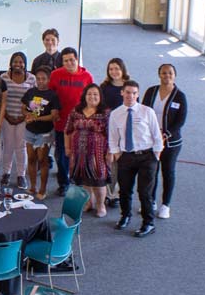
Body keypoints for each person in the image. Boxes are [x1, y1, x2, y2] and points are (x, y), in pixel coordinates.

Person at [107, 80, 163, 237]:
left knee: (144, 192)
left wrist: (156, 155)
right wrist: (116, 152)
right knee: (124, 190)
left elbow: (156, 136)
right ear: (122, 93)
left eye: (134, 93)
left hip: (147, 156)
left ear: (137, 95)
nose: (130, 95)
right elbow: (112, 137)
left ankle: (148, 223)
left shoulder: (147, 112)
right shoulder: (116, 114)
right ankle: (125, 216)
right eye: (127, 92)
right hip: (126, 156)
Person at [143, 63, 186, 220]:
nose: (167, 76)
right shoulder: (151, 91)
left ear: (174, 75)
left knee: (168, 172)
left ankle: (165, 205)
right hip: (151, 140)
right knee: (151, 172)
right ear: (159, 74)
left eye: (170, 73)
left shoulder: (180, 96)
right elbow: (144, 112)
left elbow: (180, 120)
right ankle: (151, 201)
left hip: (170, 143)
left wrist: (165, 134)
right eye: (163, 73)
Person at [50, 47, 93, 197]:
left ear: (77, 60)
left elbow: (92, 99)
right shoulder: (55, 75)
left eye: (72, 60)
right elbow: (50, 96)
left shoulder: (87, 76)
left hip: (80, 124)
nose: (69, 63)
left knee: (80, 153)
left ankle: (78, 180)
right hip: (61, 123)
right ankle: (63, 183)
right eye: (66, 61)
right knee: (61, 154)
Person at [67, 84, 111, 217]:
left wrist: (110, 151)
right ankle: (88, 202)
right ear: (85, 96)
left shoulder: (105, 113)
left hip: (98, 154)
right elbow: (67, 130)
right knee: (83, 179)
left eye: (95, 94)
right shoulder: (76, 111)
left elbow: (112, 134)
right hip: (78, 152)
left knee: (99, 180)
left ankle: (101, 205)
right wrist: (67, 147)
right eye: (89, 94)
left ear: (100, 97)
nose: (92, 97)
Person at [22, 66, 60, 198]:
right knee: (31, 159)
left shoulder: (52, 95)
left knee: (42, 160)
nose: (40, 81)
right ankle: (32, 187)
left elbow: (54, 115)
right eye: (38, 78)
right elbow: (23, 108)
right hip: (29, 132)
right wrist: (27, 115)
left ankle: (42, 189)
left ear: (49, 79)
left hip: (44, 133)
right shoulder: (30, 92)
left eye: (43, 79)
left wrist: (36, 118)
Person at [0, 52, 34, 188]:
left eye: (21, 62)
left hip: (23, 119)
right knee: (7, 147)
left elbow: (35, 101)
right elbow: (1, 99)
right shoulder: (3, 77)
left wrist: (25, 116)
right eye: (15, 61)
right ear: (11, 63)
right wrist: (6, 116)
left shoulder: (31, 79)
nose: (18, 64)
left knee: (21, 148)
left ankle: (21, 175)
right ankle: (6, 173)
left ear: (25, 64)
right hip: (7, 118)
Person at [99, 58, 129, 208]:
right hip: (107, 127)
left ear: (122, 69)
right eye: (111, 69)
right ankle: (109, 193)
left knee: (121, 162)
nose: (114, 72)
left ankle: (118, 193)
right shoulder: (104, 87)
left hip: (124, 129)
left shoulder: (129, 87)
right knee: (108, 161)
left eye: (117, 68)